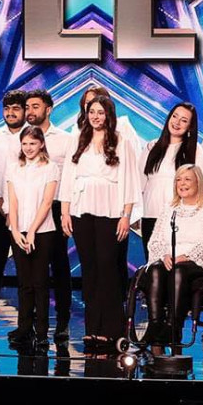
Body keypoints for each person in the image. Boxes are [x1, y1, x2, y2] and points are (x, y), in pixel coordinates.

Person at [61, 95, 138, 346]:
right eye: (92, 111)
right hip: (82, 211)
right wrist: (65, 212)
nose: (95, 116)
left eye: (100, 112)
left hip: (111, 210)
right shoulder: (77, 138)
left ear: (109, 115)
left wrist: (126, 215)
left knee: (107, 268)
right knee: (90, 269)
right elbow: (68, 178)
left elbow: (129, 179)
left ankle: (113, 328)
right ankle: (92, 327)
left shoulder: (121, 141)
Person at [141, 165, 203, 346]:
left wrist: (185, 256)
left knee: (178, 270)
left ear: (198, 182)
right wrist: (164, 255)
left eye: (187, 179)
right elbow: (154, 240)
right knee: (155, 269)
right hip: (170, 257)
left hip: (199, 261)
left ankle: (173, 326)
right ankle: (155, 326)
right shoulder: (169, 208)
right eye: (179, 179)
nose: (182, 183)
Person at [24, 89, 75, 342]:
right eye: (28, 107)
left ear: (49, 109)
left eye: (35, 106)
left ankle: (62, 320)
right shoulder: (21, 139)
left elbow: (69, 178)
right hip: (25, 209)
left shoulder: (64, 140)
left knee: (59, 265)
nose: (30, 111)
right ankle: (31, 322)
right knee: (30, 269)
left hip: (54, 207)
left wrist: (65, 210)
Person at [6, 126, 60, 351]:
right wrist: (16, 230)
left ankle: (41, 331)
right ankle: (24, 328)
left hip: (43, 232)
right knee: (24, 283)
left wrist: (32, 231)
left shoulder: (51, 168)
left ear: (41, 144)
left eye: (33, 143)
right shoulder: (13, 168)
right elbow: (13, 202)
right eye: (25, 143)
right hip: (18, 231)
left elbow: (47, 203)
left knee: (39, 283)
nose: (28, 148)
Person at [0, 90, 27, 337]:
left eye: (16, 109)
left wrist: (16, 206)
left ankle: (26, 326)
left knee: (27, 270)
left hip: (27, 211)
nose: (10, 113)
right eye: (7, 109)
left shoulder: (33, 137)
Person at [140, 102, 203, 251]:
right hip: (151, 215)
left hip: (181, 218)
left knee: (176, 267)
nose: (177, 122)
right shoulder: (152, 147)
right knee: (153, 267)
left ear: (190, 126)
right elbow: (141, 184)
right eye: (174, 116)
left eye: (184, 120)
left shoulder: (195, 150)